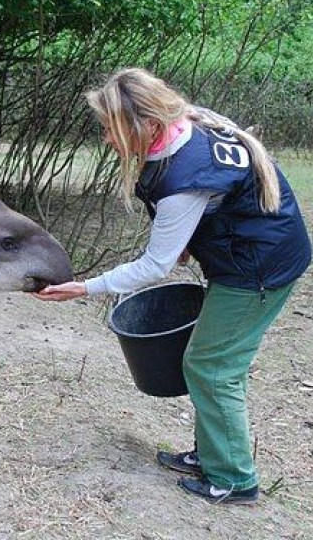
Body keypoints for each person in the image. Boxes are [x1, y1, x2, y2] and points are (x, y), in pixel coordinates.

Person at [36, 67, 312, 505]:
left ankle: (234, 479)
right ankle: (211, 454)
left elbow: (155, 265)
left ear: (146, 124)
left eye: (111, 129)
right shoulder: (188, 121)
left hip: (259, 270)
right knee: (211, 362)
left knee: (213, 367)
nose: (107, 139)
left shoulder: (183, 176)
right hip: (254, 254)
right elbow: (214, 201)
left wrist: (85, 287)